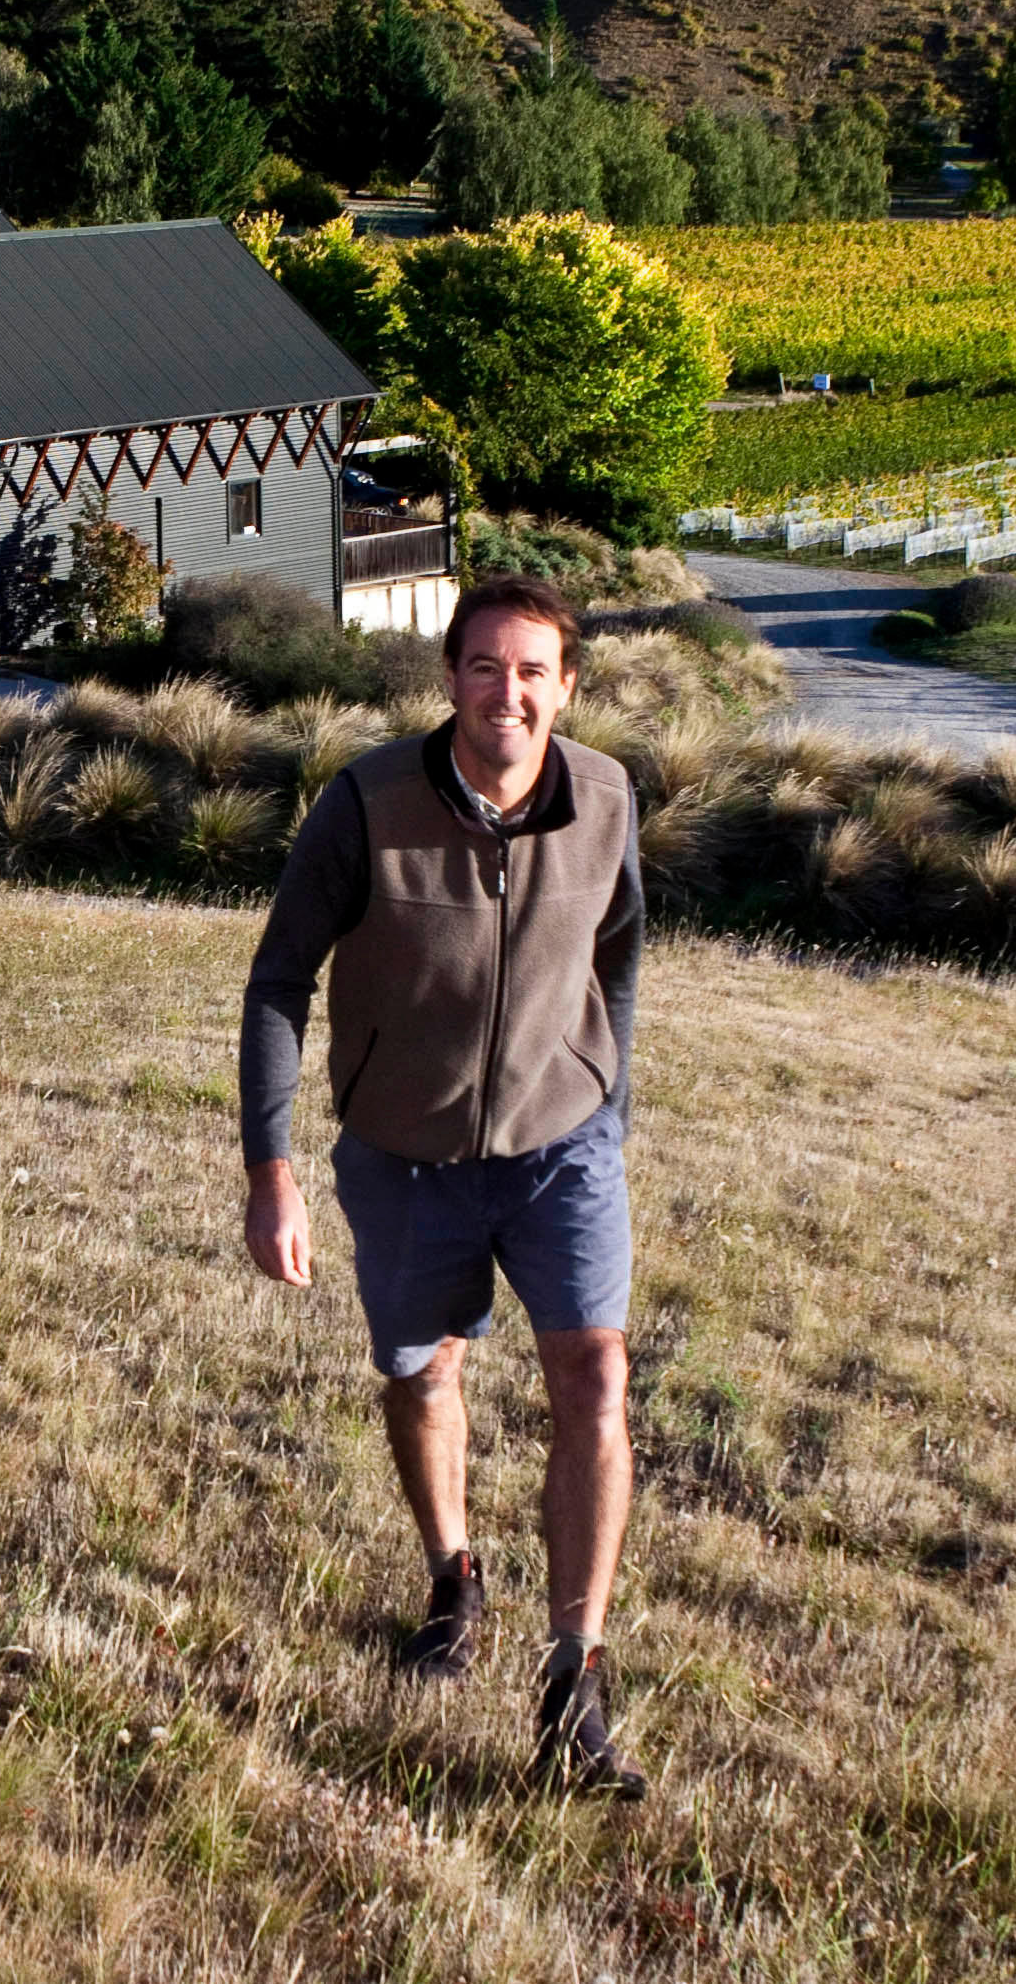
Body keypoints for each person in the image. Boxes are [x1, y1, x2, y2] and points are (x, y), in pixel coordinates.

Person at [237, 571, 650, 1797]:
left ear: (567, 687)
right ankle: (455, 1571)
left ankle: (574, 1676)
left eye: (534, 672)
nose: (508, 694)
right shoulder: (365, 804)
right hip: (403, 1154)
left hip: (562, 1146)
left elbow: (618, 951)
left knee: (597, 1376)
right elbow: (276, 985)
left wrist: (608, 1097)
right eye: (485, 667)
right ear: (449, 678)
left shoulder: (609, 801)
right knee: (423, 1374)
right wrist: (273, 1169)